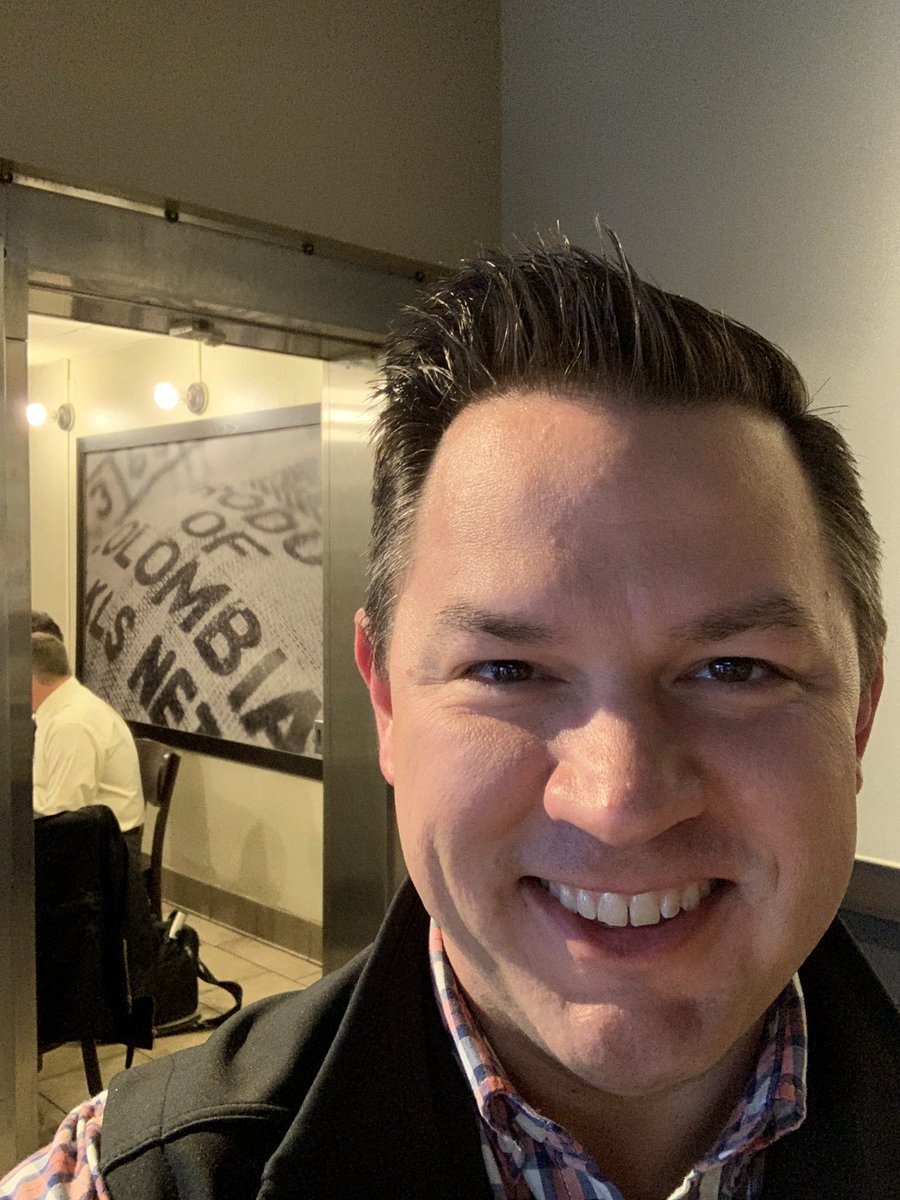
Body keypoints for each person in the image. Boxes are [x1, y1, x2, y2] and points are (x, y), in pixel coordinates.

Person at [4, 239, 898, 1198]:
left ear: (858, 716)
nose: (619, 802)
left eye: (734, 669)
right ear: (386, 701)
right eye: (507, 670)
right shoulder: (133, 1179)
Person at [31, 632, 144, 840]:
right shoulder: (62, 708)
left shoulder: (72, 724)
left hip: (104, 846)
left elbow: (63, 818)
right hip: (81, 832)